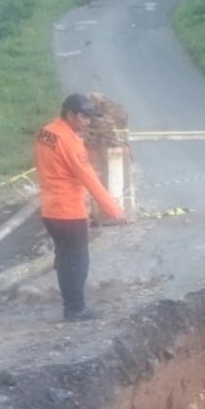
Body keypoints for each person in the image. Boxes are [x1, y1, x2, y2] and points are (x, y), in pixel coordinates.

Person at [34, 93, 126, 322]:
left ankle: (70, 304)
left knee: (64, 259)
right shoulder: (70, 142)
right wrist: (114, 210)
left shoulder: (46, 132)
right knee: (77, 261)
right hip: (69, 212)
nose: (88, 122)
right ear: (71, 115)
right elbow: (90, 179)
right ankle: (75, 308)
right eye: (84, 117)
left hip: (50, 210)